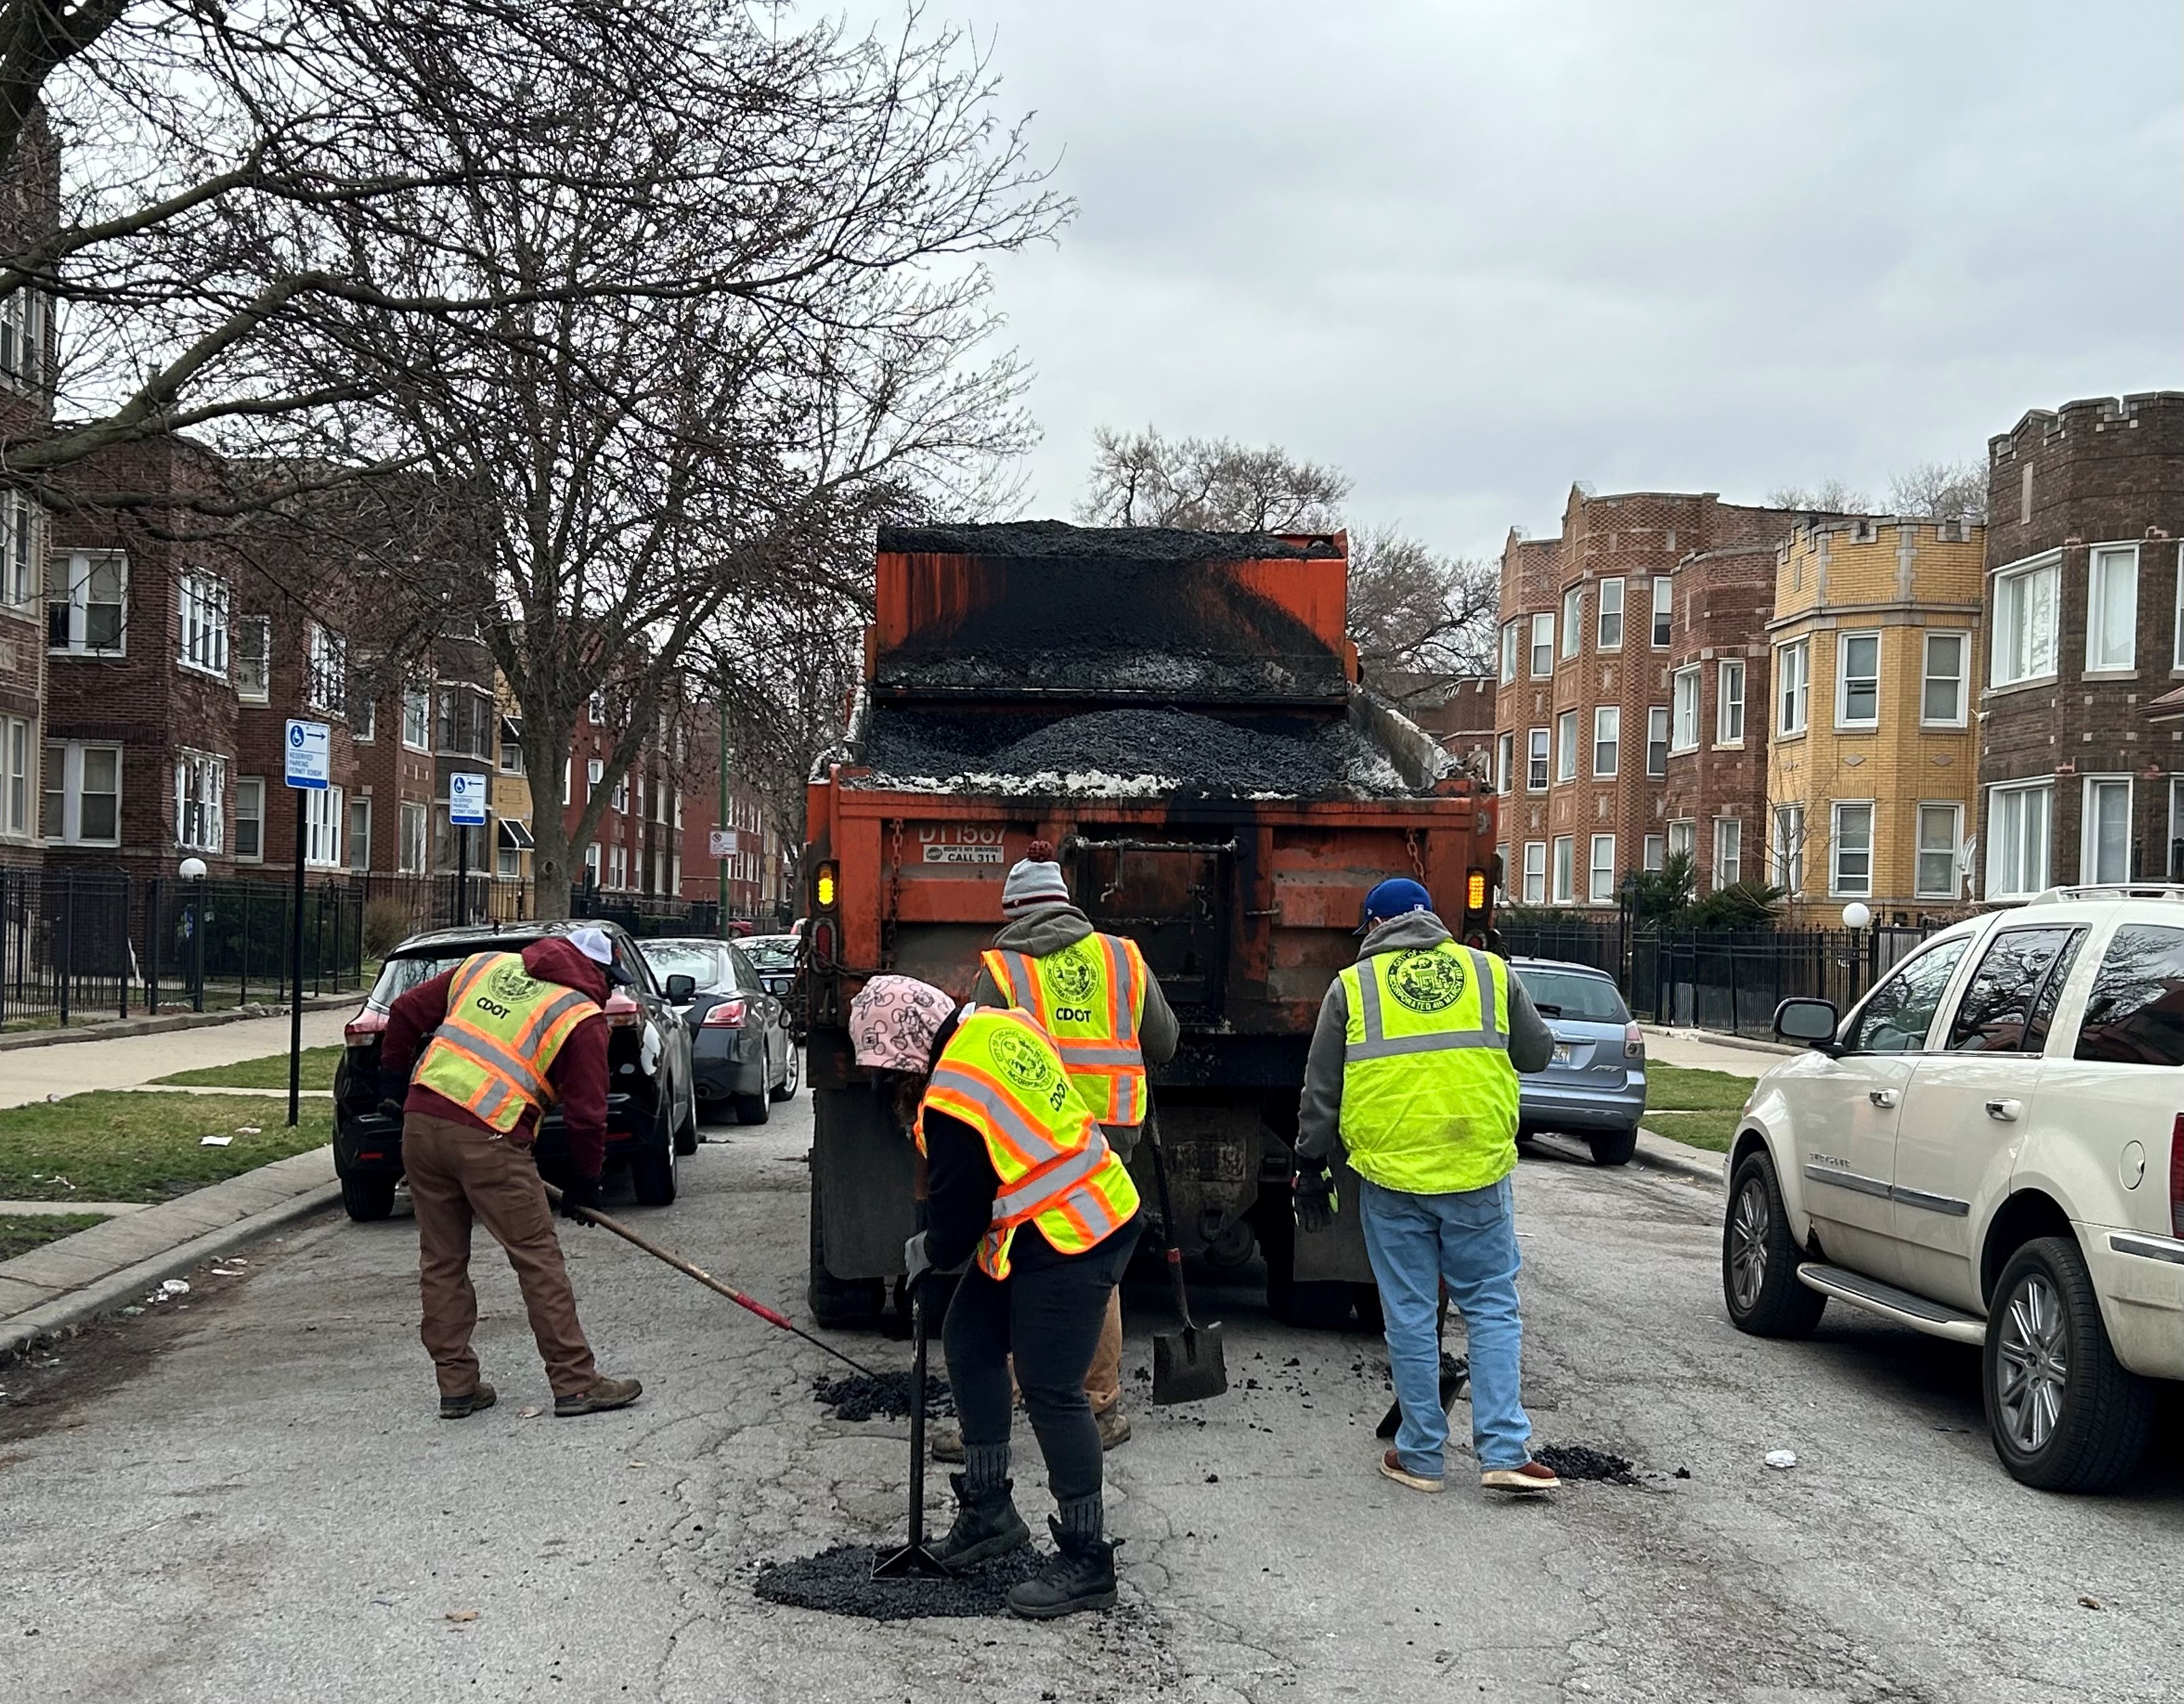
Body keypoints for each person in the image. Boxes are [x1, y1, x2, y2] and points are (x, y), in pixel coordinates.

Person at [850, 975, 1144, 1619]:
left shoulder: (950, 1095)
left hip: (1078, 1230)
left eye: (887, 1073)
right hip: (1045, 1218)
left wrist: (926, 1252)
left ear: (906, 1054)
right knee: (971, 1339)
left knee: (1050, 1386)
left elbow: (956, 1229)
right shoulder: (998, 1023)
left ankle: (1087, 1557)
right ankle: (988, 1513)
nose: (889, 1089)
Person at [1294, 879, 1559, 1495]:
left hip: (1391, 1176)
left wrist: (1310, 1162)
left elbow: (1321, 1089)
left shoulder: (1353, 986)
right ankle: (1504, 1451)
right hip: (1477, 1171)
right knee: (1491, 1305)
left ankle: (1420, 1455)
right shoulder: (1489, 973)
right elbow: (1538, 1052)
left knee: (1409, 1311)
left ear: (1374, 928)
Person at [924, 840, 1177, 1458]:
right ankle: (1100, 1404)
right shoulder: (1122, 957)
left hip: (1034, 1135)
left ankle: (1004, 1399)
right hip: (1113, 1128)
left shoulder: (1004, 967)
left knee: (1017, 1249)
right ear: (1066, 903)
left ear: (1013, 910)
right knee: (1092, 1258)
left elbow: (978, 1055)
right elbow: (1164, 1042)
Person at [379, 924, 642, 1421]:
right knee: (537, 1259)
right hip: (491, 1135)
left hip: (422, 1123)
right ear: (596, 972)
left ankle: (456, 1386)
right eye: (610, 980)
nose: (610, 990)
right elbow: (588, 1114)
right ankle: (575, 1382)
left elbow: (405, 1011)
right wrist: (587, 1181)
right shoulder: (580, 1015)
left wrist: (392, 1082)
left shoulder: (487, 966)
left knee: (441, 1261)